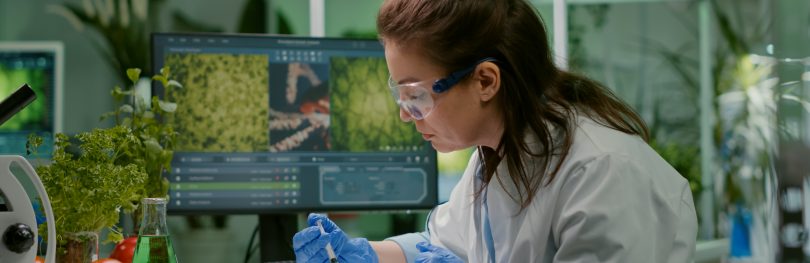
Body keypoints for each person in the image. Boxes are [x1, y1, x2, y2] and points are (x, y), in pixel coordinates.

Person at [293, 0, 698, 262]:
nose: (406, 115)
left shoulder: (602, 174)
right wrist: (358, 254)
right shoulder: (494, 159)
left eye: (414, 95)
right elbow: (443, 245)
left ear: (486, 81)